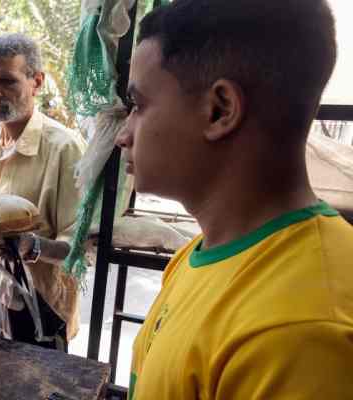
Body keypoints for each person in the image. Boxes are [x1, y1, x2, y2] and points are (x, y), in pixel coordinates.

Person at [119, 0, 353, 398]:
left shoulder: (299, 332)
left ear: (219, 110)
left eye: (139, 106)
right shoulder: (202, 253)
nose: (123, 134)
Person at [0, 33, 86, 351]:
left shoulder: (65, 149)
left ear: (37, 82)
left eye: (7, 81)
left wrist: (32, 247)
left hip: (40, 314)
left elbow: (80, 247)